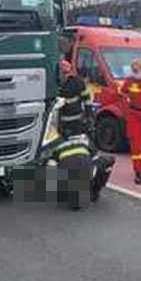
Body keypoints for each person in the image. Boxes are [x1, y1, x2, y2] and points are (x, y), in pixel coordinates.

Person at [49, 60, 113, 209]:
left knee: (74, 151)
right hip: (58, 125)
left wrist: (89, 115)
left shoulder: (77, 83)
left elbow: (87, 98)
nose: (64, 75)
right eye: (62, 72)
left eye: (66, 72)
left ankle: (83, 189)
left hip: (76, 122)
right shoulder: (53, 84)